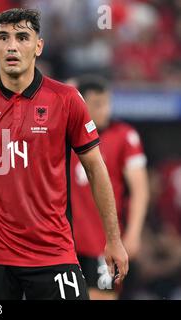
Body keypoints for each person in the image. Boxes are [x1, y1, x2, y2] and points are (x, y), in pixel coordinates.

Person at [0, 8, 128, 300]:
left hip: (54, 254)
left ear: (38, 46)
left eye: (22, 37)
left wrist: (113, 239)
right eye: (4, 37)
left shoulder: (67, 99)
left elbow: (96, 169)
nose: (12, 46)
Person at [69, 75, 149, 300]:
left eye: (107, 103)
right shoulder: (64, 135)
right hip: (65, 241)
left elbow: (140, 189)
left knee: (101, 297)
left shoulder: (124, 136)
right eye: (98, 104)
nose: (105, 110)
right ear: (82, 105)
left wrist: (133, 233)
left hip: (101, 241)